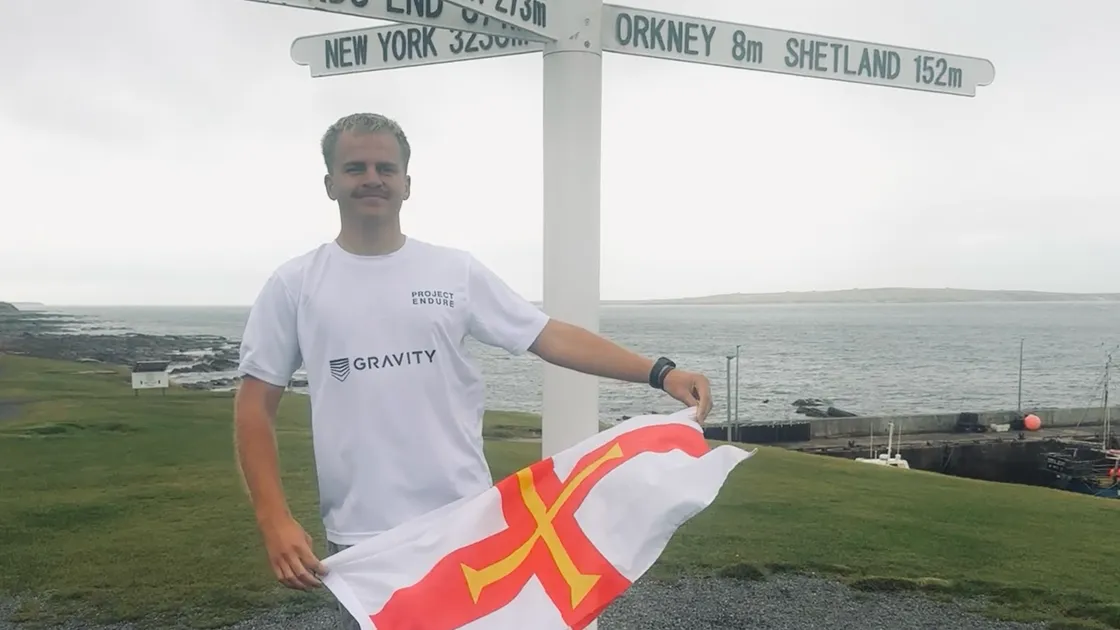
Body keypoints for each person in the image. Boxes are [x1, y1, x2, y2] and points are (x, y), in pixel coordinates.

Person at [232, 112, 713, 628]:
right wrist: (273, 519)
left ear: (407, 184)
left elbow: (548, 335)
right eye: (355, 168)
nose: (372, 178)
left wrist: (659, 372)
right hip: (364, 541)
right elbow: (254, 408)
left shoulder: (453, 271)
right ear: (330, 183)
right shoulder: (294, 284)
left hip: (468, 522)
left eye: (385, 168)